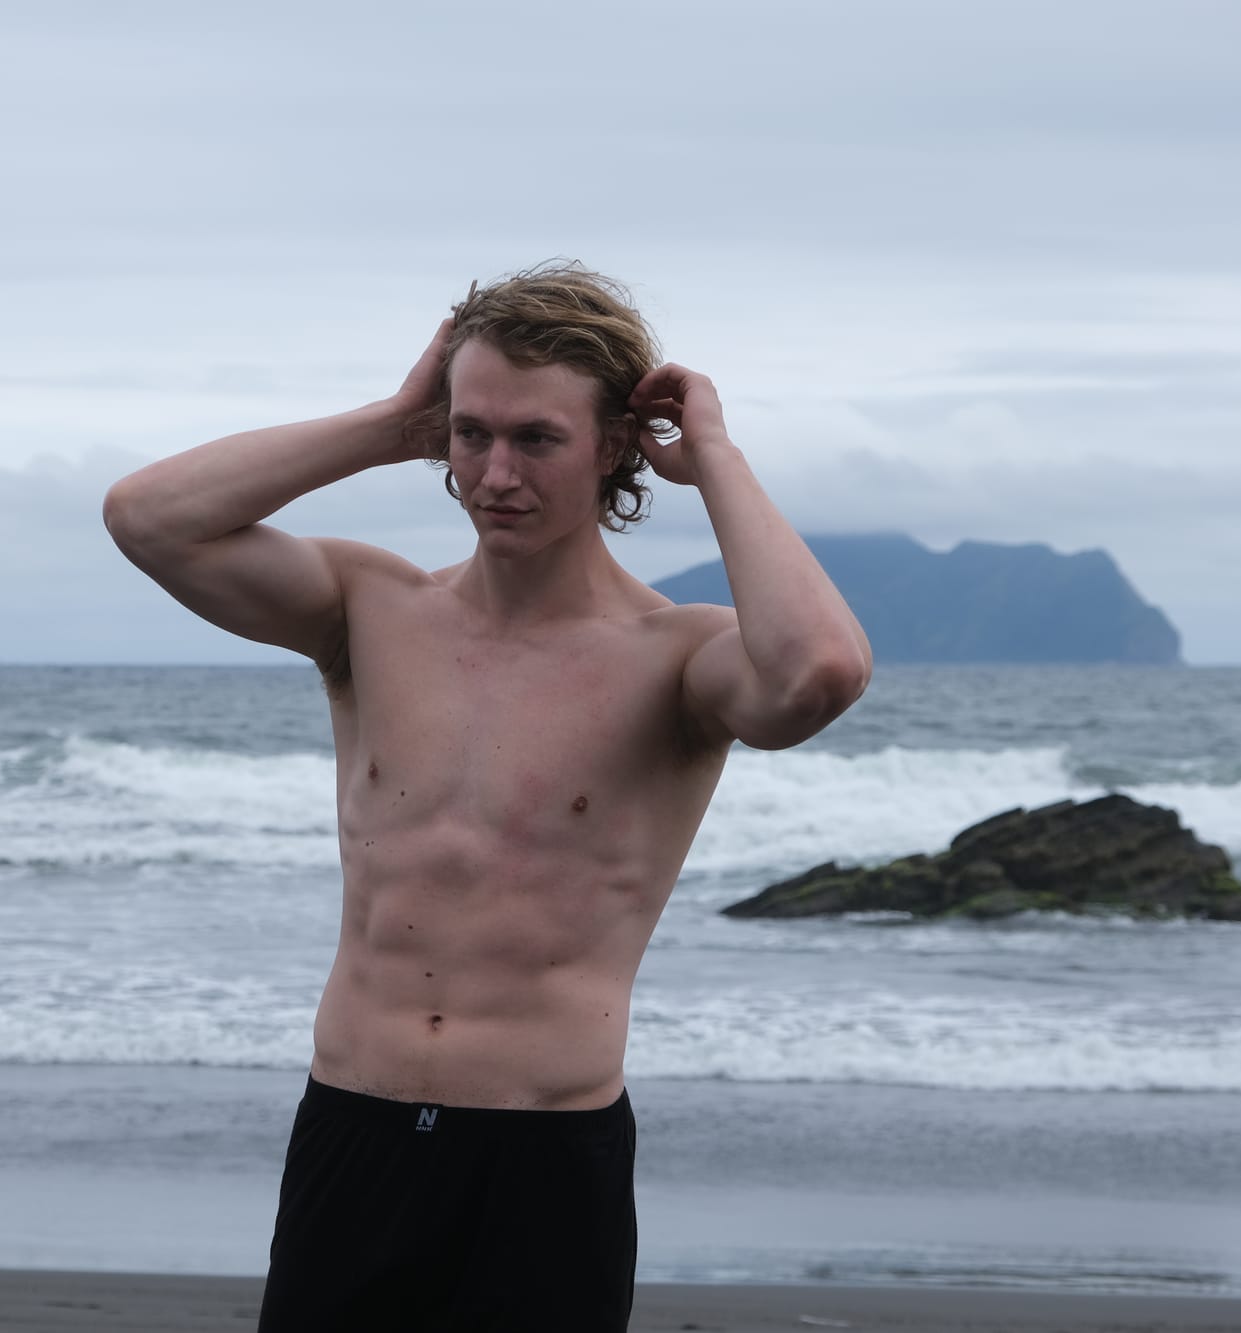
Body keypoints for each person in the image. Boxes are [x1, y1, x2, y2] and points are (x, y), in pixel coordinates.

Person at [103, 263, 871, 1331]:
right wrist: (391, 424)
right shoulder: (368, 609)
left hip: (543, 1162)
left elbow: (818, 672)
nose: (495, 474)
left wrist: (716, 462)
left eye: (537, 438)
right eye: (472, 434)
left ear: (613, 444)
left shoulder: (677, 657)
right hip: (355, 1135)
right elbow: (147, 518)